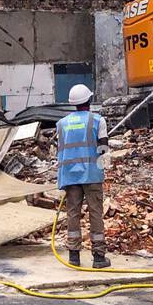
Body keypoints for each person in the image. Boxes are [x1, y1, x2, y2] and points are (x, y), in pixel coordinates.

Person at [56, 84, 110, 269]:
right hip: (92, 174)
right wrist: (105, 167)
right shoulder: (97, 120)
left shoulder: (62, 124)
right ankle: (99, 257)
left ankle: (74, 256)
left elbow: (61, 149)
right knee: (95, 213)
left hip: (70, 175)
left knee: (73, 214)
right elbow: (103, 148)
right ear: (89, 100)